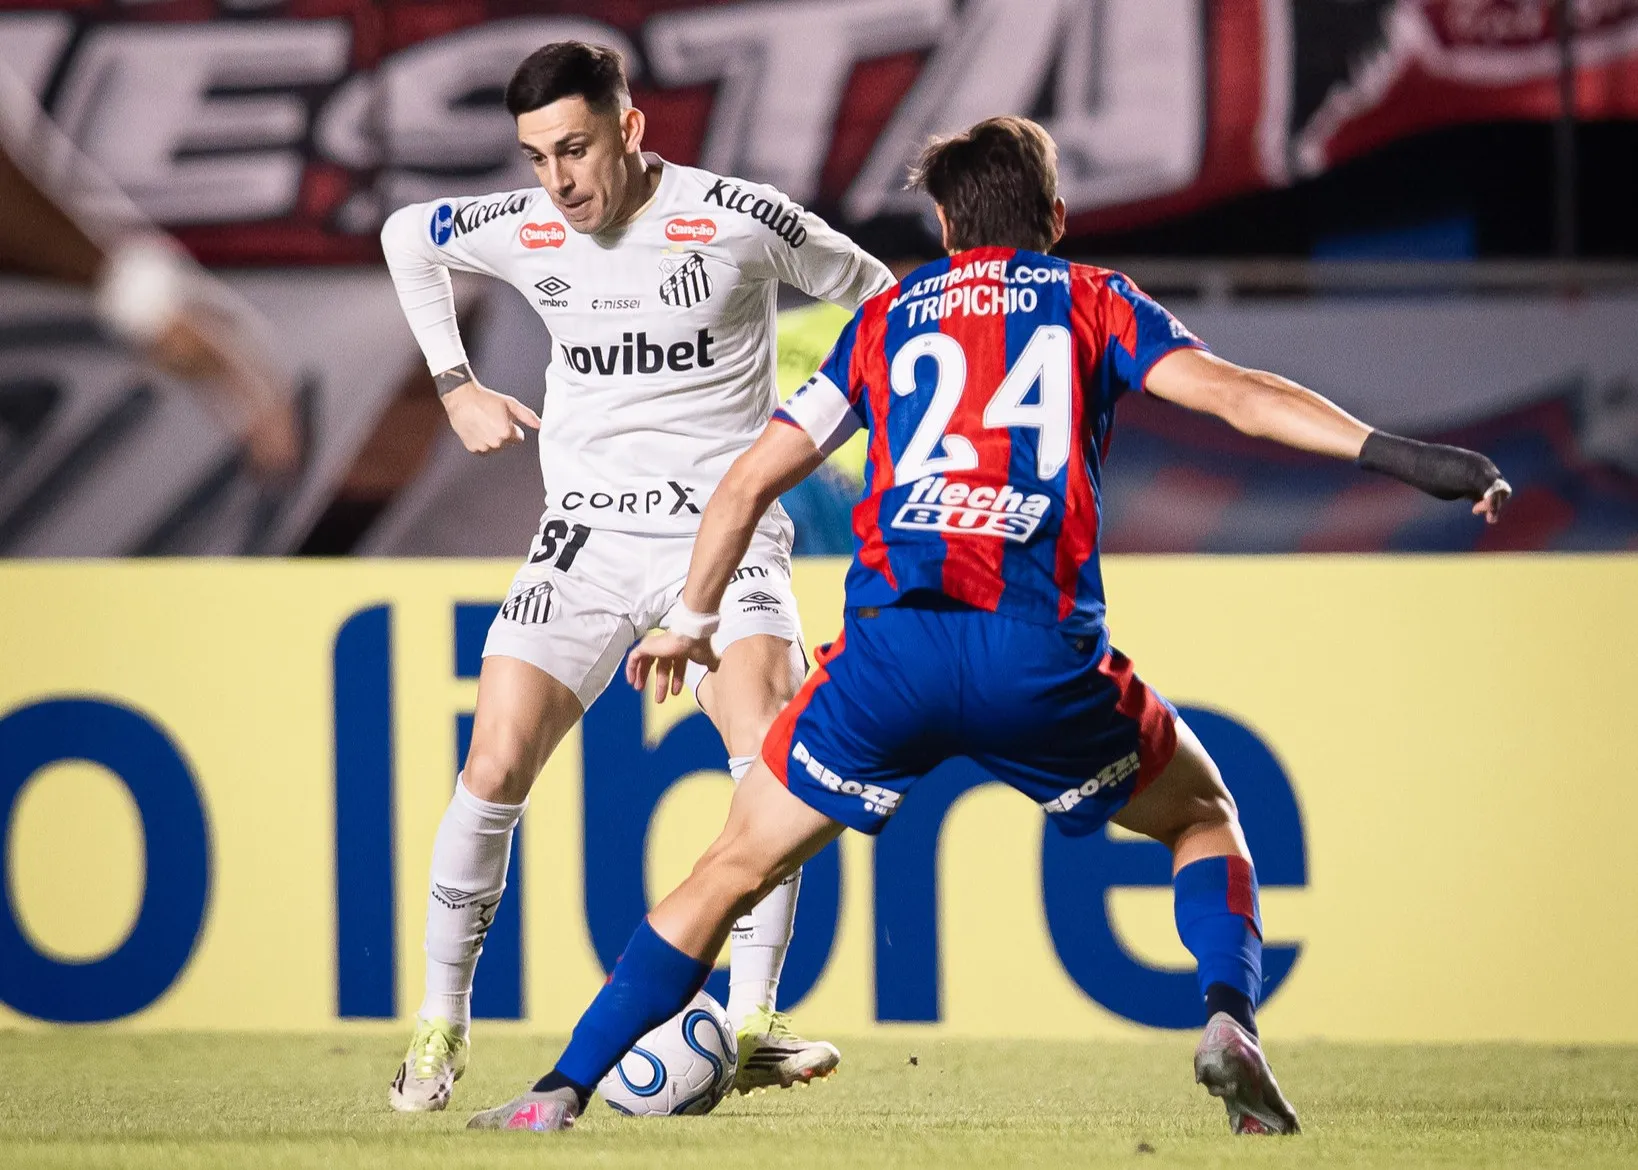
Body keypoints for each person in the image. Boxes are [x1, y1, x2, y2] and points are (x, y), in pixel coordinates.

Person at [464, 115, 1509, 1138]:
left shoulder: (887, 317)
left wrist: (692, 618)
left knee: (731, 866)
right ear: (1054, 215)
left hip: (891, 657)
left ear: (944, 224)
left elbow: (747, 480)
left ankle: (557, 1092)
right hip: (1033, 651)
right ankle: (1229, 1020)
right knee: (1203, 818)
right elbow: (1233, 396)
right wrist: (1404, 456)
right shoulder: (1093, 299)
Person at [377, 41, 894, 1111]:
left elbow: (877, 293)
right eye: (536, 157)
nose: (558, 182)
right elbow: (404, 236)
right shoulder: (525, 227)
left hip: (725, 534)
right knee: (493, 764)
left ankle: (750, 1022)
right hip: (585, 541)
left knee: (770, 755)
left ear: (631, 128)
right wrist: (455, 384)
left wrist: (830, 422)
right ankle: (438, 1028)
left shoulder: (738, 219)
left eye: (574, 149)